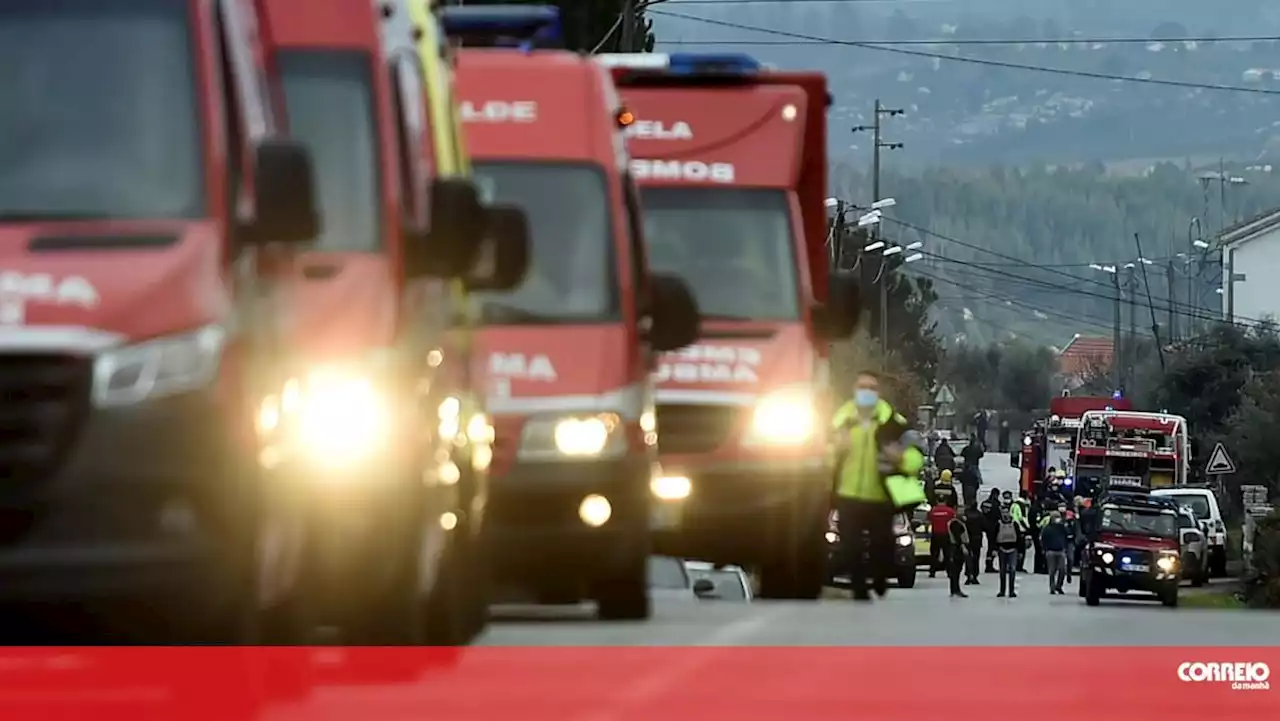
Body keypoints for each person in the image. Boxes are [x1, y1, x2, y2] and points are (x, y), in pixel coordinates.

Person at [832, 370, 927, 602]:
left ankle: (880, 577)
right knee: (850, 544)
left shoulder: (893, 421)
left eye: (871, 388)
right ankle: (859, 588)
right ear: (854, 390)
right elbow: (821, 451)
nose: (866, 392)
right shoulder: (841, 420)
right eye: (862, 387)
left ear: (878, 392)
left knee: (882, 545)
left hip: (880, 495)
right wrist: (835, 448)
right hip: (848, 493)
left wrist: (901, 458)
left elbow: (917, 457)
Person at [1040, 511, 1069, 594]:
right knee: (1052, 571)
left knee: (1062, 570)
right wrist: (1045, 549)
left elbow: (1067, 535)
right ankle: (1052, 587)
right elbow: (1043, 539)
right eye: (1055, 517)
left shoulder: (1062, 527)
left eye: (1058, 517)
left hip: (1061, 550)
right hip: (1050, 551)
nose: (1057, 519)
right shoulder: (1047, 528)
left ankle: (1059, 586)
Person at [927, 499, 957, 578]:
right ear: (945, 502)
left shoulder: (932, 511)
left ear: (937, 501)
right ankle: (949, 572)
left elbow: (929, 521)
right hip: (946, 535)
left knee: (934, 554)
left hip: (935, 535)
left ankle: (932, 572)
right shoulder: (950, 511)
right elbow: (954, 522)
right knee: (947, 555)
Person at [994, 508, 1020, 598]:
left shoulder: (1014, 524)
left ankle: (1011, 591)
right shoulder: (998, 524)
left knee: (1012, 570)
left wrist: (1020, 550)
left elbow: (1019, 537)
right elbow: (994, 536)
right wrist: (994, 549)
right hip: (1002, 549)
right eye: (1003, 512)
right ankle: (1002, 591)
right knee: (1002, 571)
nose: (1005, 514)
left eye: (1007, 512)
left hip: (1013, 549)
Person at [946, 499, 969, 598]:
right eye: (960, 510)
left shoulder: (959, 522)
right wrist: (963, 547)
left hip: (957, 547)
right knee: (955, 570)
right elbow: (957, 537)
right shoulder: (955, 523)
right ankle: (955, 590)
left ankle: (955, 589)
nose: (962, 512)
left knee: (957, 570)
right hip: (956, 548)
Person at [963, 502, 985, 584]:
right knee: (976, 558)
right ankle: (975, 575)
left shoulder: (966, 515)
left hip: (967, 538)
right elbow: (984, 526)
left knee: (968, 558)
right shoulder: (979, 515)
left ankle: (968, 575)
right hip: (977, 538)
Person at [980, 488, 1001, 573]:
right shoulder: (996, 504)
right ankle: (989, 565)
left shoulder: (984, 503)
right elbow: (998, 515)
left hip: (986, 527)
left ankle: (988, 564)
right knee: (993, 546)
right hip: (994, 527)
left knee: (990, 545)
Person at [1014, 491, 1032, 572]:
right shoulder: (1022, 505)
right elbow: (1022, 518)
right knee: (1021, 550)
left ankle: (1013, 565)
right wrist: (1027, 528)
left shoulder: (1013, 504)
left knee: (1015, 549)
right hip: (1021, 530)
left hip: (1013, 528)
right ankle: (1019, 566)